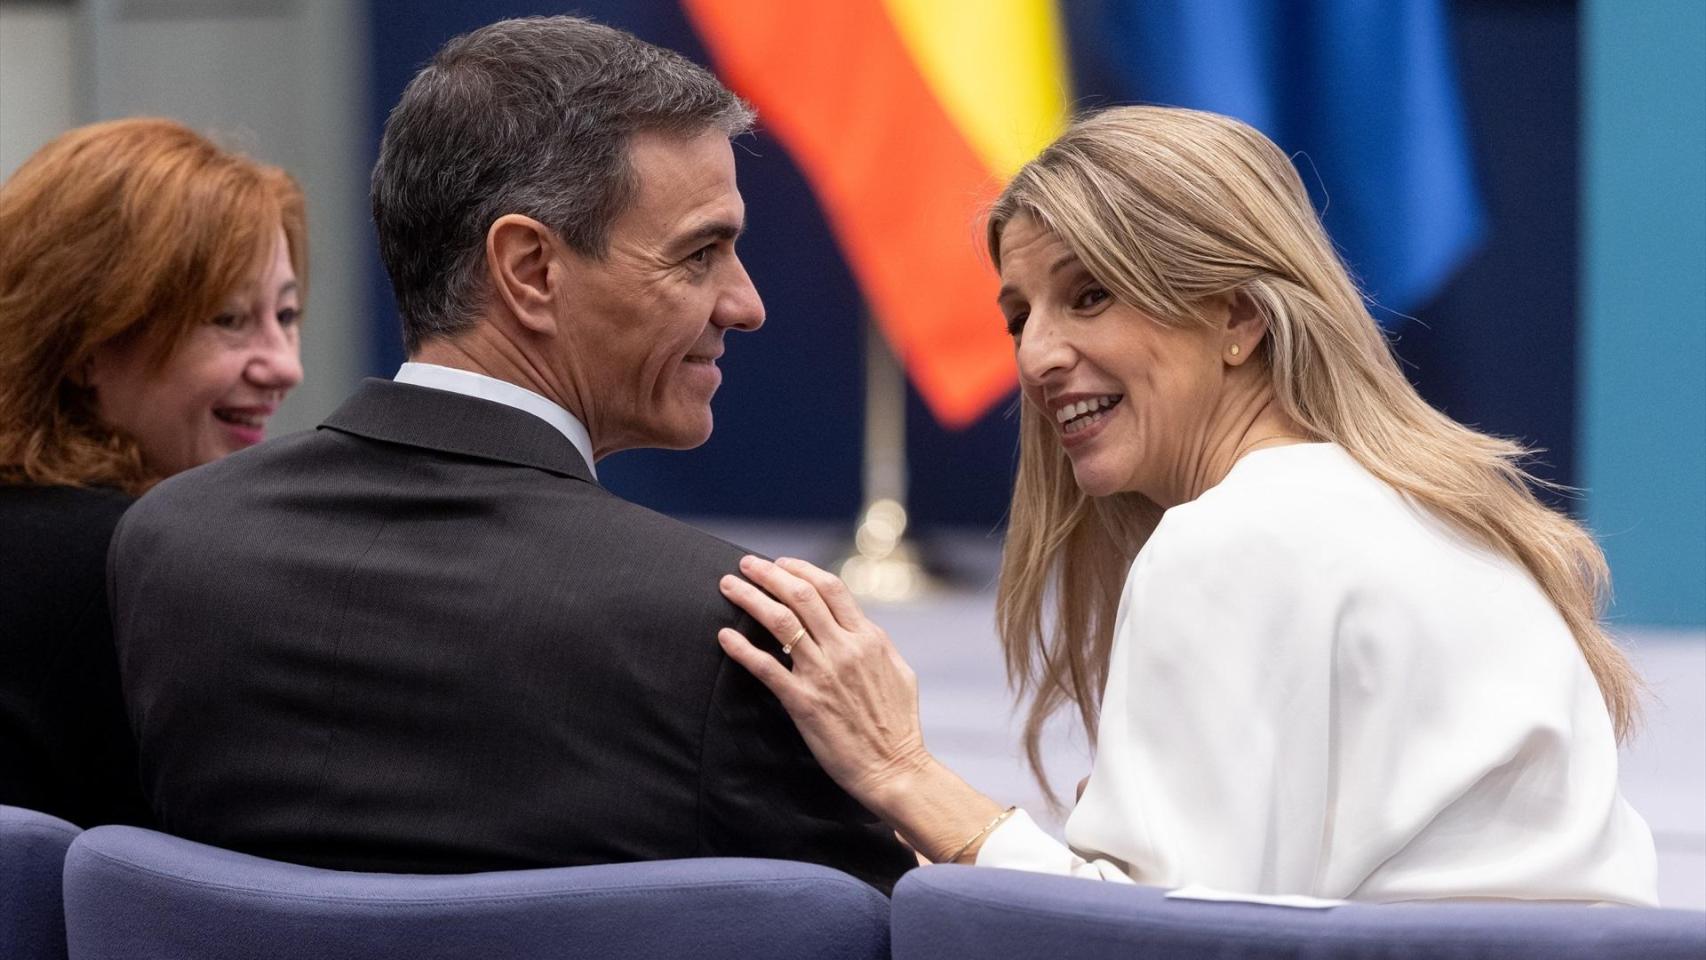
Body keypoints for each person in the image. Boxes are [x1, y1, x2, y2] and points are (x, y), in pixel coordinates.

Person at [717, 106, 1659, 905]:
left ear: (1239, 317)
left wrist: (903, 776)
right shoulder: (1442, 509)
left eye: (1090, 296)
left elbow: (1154, 947)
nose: (1038, 355)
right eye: (1020, 315)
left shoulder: (1236, 538)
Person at [108, 16, 912, 891]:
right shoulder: (728, 636)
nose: (745, 303)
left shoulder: (169, 545)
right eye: (701, 254)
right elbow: (877, 930)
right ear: (530, 269)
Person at [0, 117, 306, 827]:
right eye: (229, 320)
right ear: (84, 346)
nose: (284, 365)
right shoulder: (132, 564)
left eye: (285, 315)